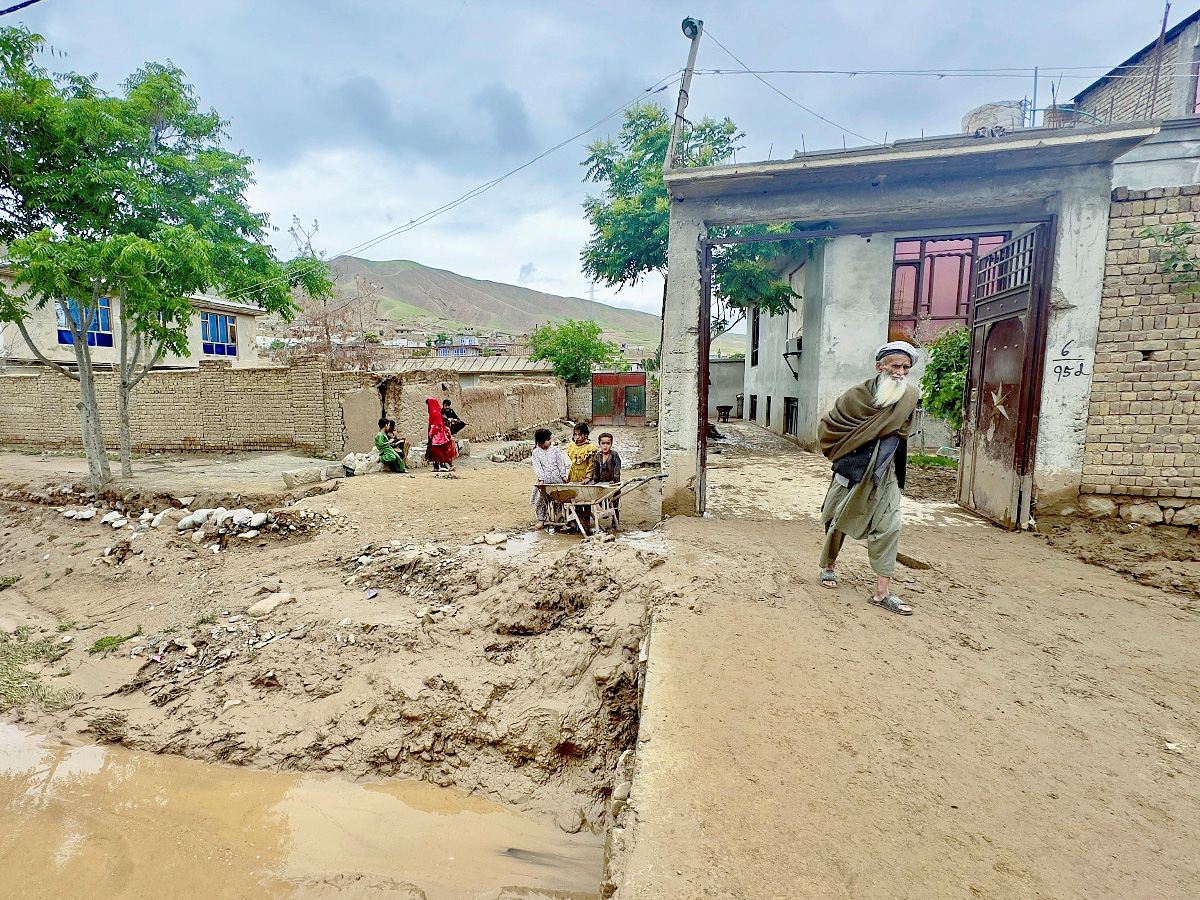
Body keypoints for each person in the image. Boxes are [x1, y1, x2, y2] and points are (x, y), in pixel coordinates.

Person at [817, 340, 920, 615]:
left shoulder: (909, 396)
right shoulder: (856, 396)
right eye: (895, 365)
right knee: (835, 518)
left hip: (886, 471)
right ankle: (828, 566)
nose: (900, 372)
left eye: (906, 367)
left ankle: (882, 592)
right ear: (880, 366)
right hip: (853, 467)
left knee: (890, 526)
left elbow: (903, 433)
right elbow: (831, 427)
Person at [529, 427, 569, 529]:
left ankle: (558, 518)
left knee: (558, 499)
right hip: (544, 479)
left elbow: (560, 463)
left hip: (556, 478)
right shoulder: (536, 453)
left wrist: (563, 475)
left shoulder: (555, 450)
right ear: (541, 441)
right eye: (548, 439)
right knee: (541, 500)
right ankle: (541, 520)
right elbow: (537, 466)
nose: (551, 441)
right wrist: (541, 478)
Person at [424, 397, 458, 475]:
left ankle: (444, 466)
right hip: (438, 435)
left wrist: (431, 434)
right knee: (435, 451)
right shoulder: (436, 412)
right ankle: (436, 466)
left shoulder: (434, 413)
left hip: (437, 436)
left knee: (438, 451)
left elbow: (435, 425)